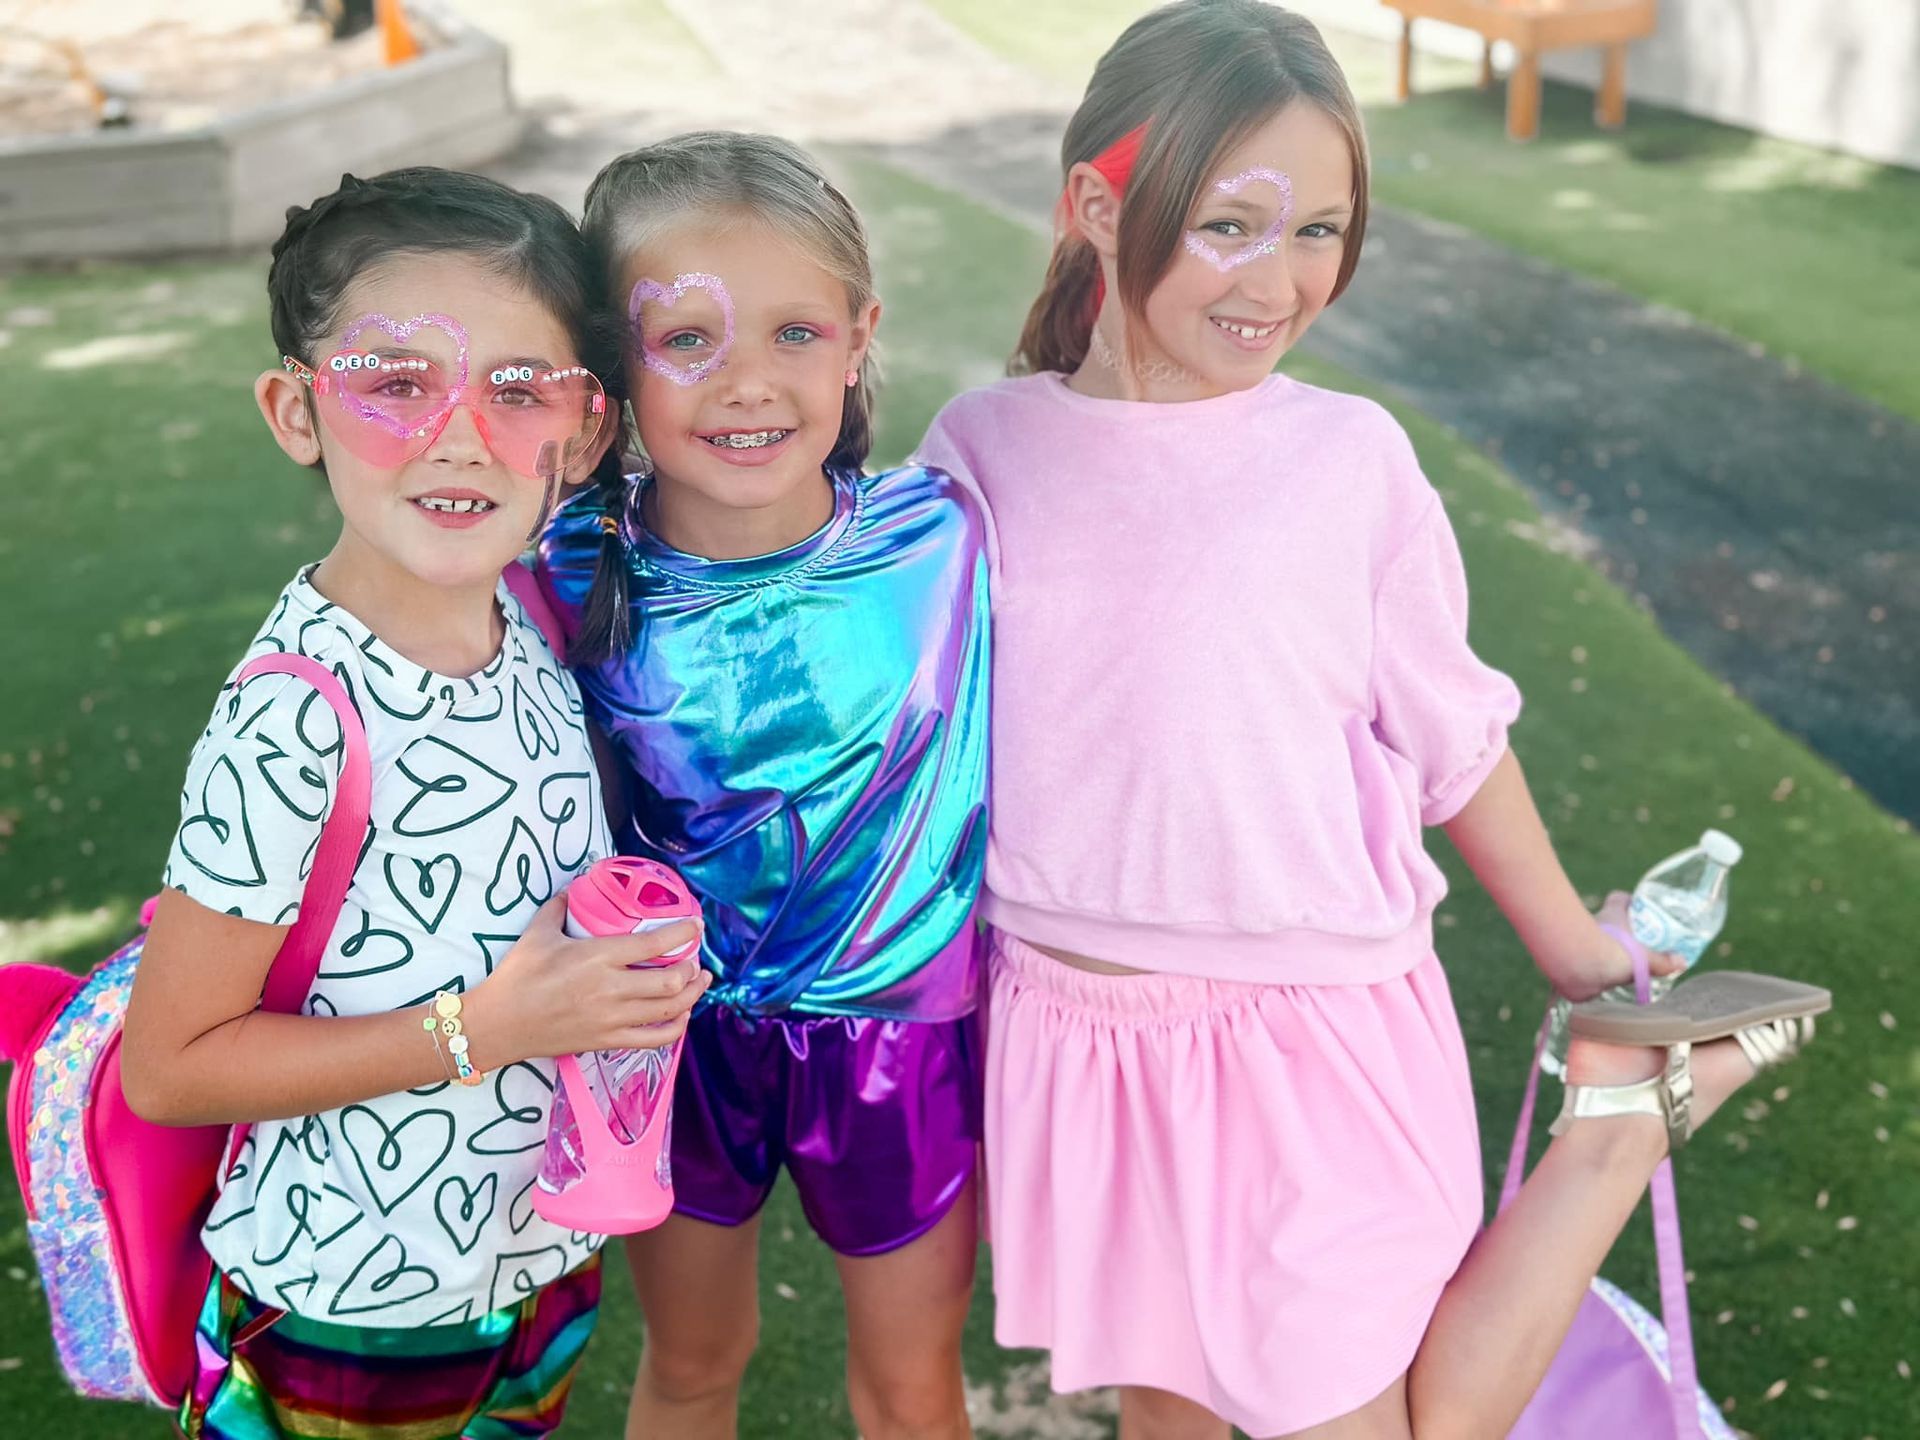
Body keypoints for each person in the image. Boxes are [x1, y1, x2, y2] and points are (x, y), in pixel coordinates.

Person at [913, 4, 1828, 1436]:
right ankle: (1607, 1121)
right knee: (1170, 1420)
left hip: (1312, 1038)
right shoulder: (978, 454)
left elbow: (1454, 741)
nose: (1279, 281)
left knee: (1392, 1427)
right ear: (1097, 203)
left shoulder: (1348, 462)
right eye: (1232, 223)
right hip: (1077, 1040)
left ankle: (1608, 1135)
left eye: (1319, 232)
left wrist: (1584, 960)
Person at [120, 167, 708, 1440]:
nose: (460, 434)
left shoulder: (530, 631)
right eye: (394, 381)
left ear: (591, 431)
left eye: (518, 388)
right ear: (294, 410)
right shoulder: (294, 717)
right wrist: (487, 1028)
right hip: (348, 1302)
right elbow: (171, 1068)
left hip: (532, 1266)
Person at [536, 132, 990, 1440]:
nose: (749, 383)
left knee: (912, 1389)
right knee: (691, 1365)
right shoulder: (566, 567)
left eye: (796, 333)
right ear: (614, 367)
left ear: (860, 340)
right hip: (669, 1040)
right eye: (689, 340)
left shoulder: (947, 532)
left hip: (896, 1034)